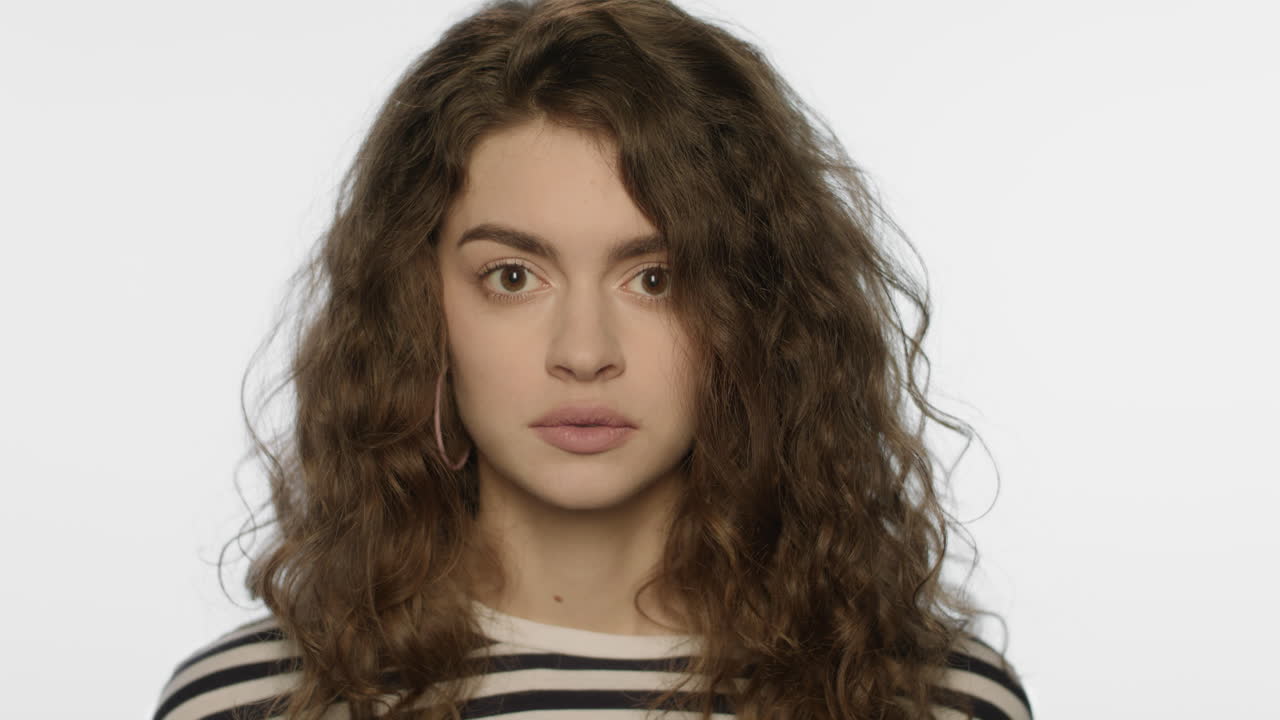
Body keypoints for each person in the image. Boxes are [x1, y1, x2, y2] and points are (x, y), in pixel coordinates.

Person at [152, 0, 1034, 718]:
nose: (584, 353)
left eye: (656, 278)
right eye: (512, 276)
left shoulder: (933, 701)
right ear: (417, 304)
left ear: (759, 309)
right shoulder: (253, 704)